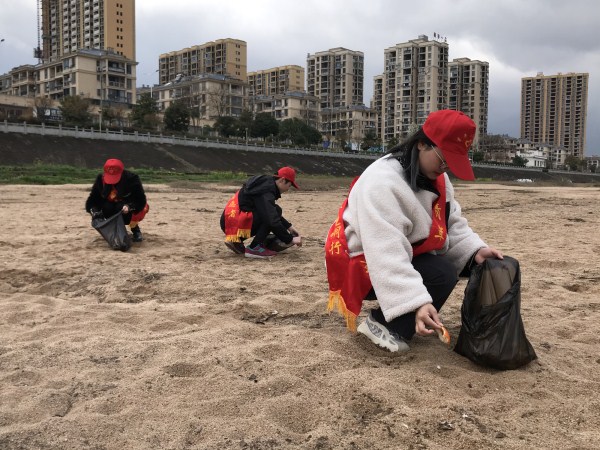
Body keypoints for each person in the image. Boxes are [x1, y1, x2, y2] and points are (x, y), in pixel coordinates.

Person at [325, 110, 503, 352]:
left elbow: (450, 222)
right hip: (364, 260)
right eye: (443, 159)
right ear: (422, 143)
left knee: (445, 272)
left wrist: (475, 251)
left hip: (407, 250)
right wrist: (415, 302)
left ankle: (403, 316)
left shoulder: (438, 178)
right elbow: (385, 250)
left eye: (450, 163)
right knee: (440, 274)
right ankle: (382, 324)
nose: (445, 168)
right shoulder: (382, 182)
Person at [221, 166, 303, 259]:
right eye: (289, 185)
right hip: (236, 223)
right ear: (282, 180)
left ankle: (235, 240)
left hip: (228, 223)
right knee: (273, 213)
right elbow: (271, 218)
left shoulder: (263, 185)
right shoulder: (266, 191)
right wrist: (290, 239)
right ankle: (255, 247)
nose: (288, 189)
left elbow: (269, 211)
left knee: (272, 211)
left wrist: (289, 227)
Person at [85, 158, 149, 242]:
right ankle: (115, 229)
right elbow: (92, 199)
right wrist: (93, 210)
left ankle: (135, 229)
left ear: (122, 172)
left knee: (123, 207)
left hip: (126, 207)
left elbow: (140, 200)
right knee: (107, 207)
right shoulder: (100, 180)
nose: (112, 181)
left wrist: (129, 207)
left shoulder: (132, 179)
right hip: (109, 206)